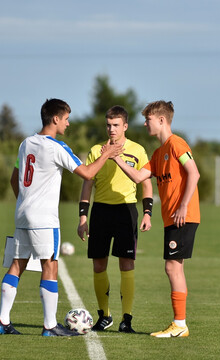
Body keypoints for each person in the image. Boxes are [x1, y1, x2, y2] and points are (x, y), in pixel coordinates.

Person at [0, 98, 122, 337]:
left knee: (17, 264)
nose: (68, 123)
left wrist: (25, 202)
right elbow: (87, 173)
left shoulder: (25, 143)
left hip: (22, 214)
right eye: (66, 119)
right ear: (55, 119)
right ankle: (50, 326)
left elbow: (14, 178)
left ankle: (2, 321)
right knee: (50, 265)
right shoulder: (56, 147)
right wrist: (108, 154)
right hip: (44, 219)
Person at [111, 100, 200, 338]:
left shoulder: (176, 144)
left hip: (183, 216)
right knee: (173, 268)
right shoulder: (159, 153)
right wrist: (117, 159)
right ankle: (179, 324)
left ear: (161, 120)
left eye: (148, 119)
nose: (144, 123)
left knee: (172, 268)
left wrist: (183, 206)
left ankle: (180, 324)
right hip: (173, 218)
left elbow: (194, 172)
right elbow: (140, 176)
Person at [77, 105, 153, 333]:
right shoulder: (96, 150)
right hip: (100, 212)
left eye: (116, 125)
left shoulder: (137, 150)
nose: (111, 129)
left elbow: (146, 183)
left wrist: (148, 212)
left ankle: (126, 319)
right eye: (108, 125)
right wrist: (83, 217)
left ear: (125, 126)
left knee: (126, 264)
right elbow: (87, 185)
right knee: (99, 265)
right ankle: (105, 316)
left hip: (126, 211)